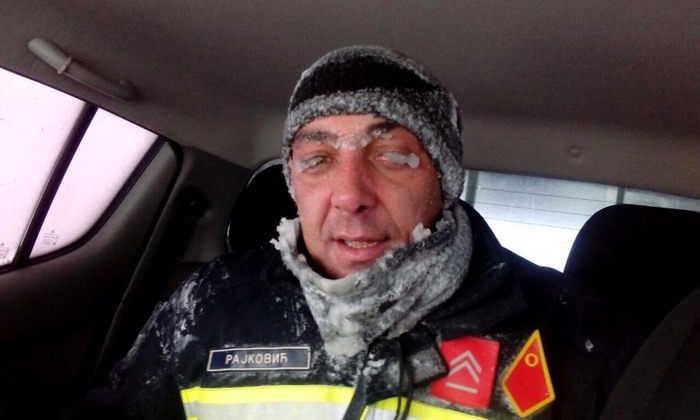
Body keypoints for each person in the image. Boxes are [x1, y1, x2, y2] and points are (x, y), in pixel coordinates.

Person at [85, 45, 640, 420]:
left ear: (444, 179)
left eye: (393, 156)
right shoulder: (209, 305)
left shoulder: (574, 332)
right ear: (294, 183)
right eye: (318, 159)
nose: (350, 195)